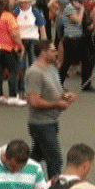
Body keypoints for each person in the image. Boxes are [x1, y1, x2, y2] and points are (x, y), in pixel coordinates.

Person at [26, 39, 77, 179]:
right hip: (41, 123)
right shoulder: (35, 73)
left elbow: (57, 90)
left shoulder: (52, 68)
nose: (56, 53)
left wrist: (65, 95)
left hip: (51, 121)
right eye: (53, 50)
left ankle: (22, 179)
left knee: (35, 158)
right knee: (55, 160)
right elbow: (34, 101)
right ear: (43, 53)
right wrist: (57, 104)